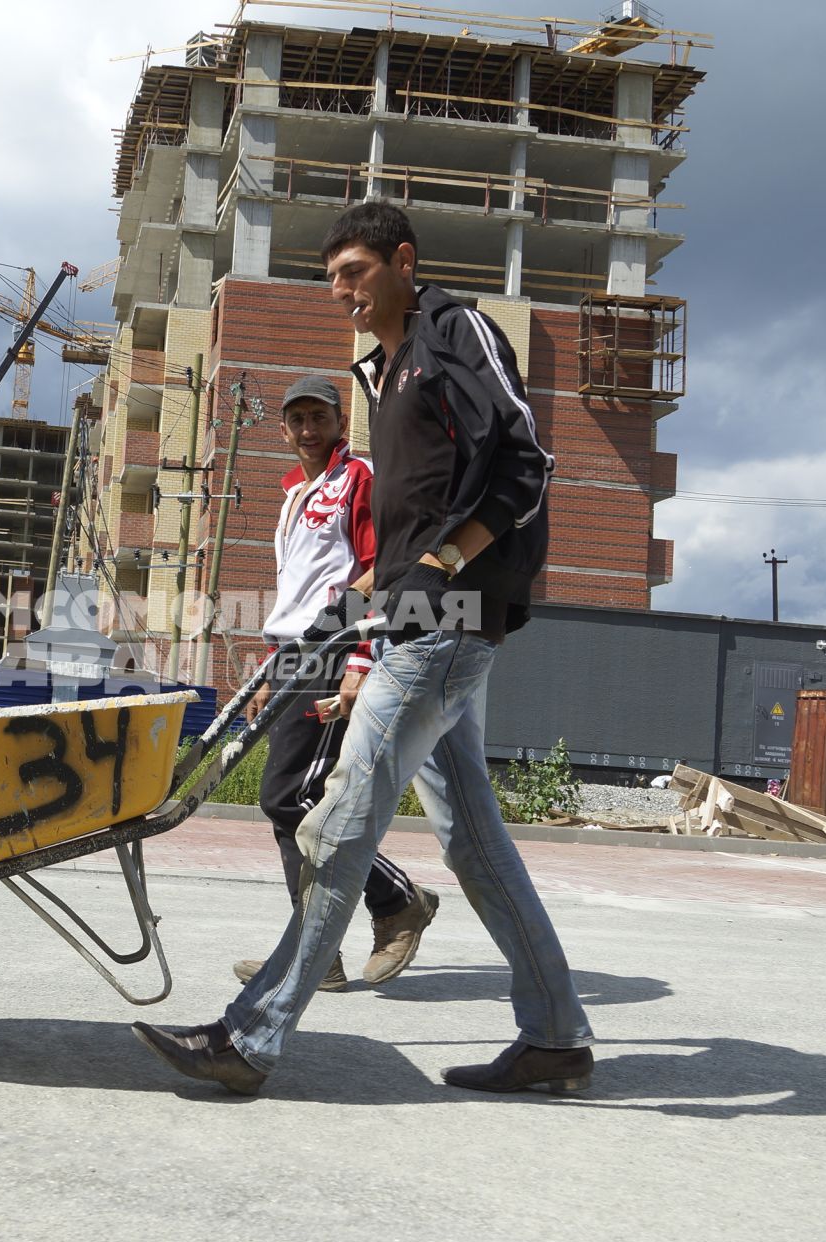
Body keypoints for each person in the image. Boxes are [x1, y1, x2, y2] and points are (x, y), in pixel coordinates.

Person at [133, 200, 596, 1097]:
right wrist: (373, 592)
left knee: (337, 825)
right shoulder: (384, 368)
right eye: (332, 275)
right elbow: (413, 506)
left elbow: (528, 461)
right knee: (473, 843)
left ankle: (251, 1036)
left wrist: (445, 561)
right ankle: (557, 1039)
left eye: (355, 272)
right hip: (413, 621)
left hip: (449, 622)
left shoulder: (456, 330)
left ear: (403, 262)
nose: (340, 290)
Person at [236, 373, 439, 993]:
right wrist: (271, 670)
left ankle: (399, 900)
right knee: (287, 808)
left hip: (335, 648)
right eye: (296, 419)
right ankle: (316, 954)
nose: (306, 429)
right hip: (295, 652)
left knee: (292, 800)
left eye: (317, 417)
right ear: (284, 429)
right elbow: (296, 591)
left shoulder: (359, 478)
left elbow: (384, 569)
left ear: (337, 422)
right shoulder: (296, 491)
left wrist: (357, 659)